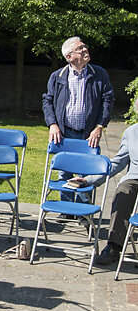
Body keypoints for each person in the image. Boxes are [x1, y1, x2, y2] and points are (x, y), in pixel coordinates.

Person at [43, 37, 114, 202]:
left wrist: (100, 126)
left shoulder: (99, 74)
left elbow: (108, 101)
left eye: (84, 47)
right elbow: (47, 101)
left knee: (86, 173)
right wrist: (52, 124)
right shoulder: (57, 76)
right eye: (80, 48)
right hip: (64, 132)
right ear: (69, 56)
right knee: (64, 172)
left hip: (88, 134)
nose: (85, 50)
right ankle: (66, 210)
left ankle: (83, 211)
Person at [69, 116, 138, 265]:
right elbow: (117, 163)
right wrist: (89, 180)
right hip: (135, 178)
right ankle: (114, 247)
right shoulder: (131, 132)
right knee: (123, 191)